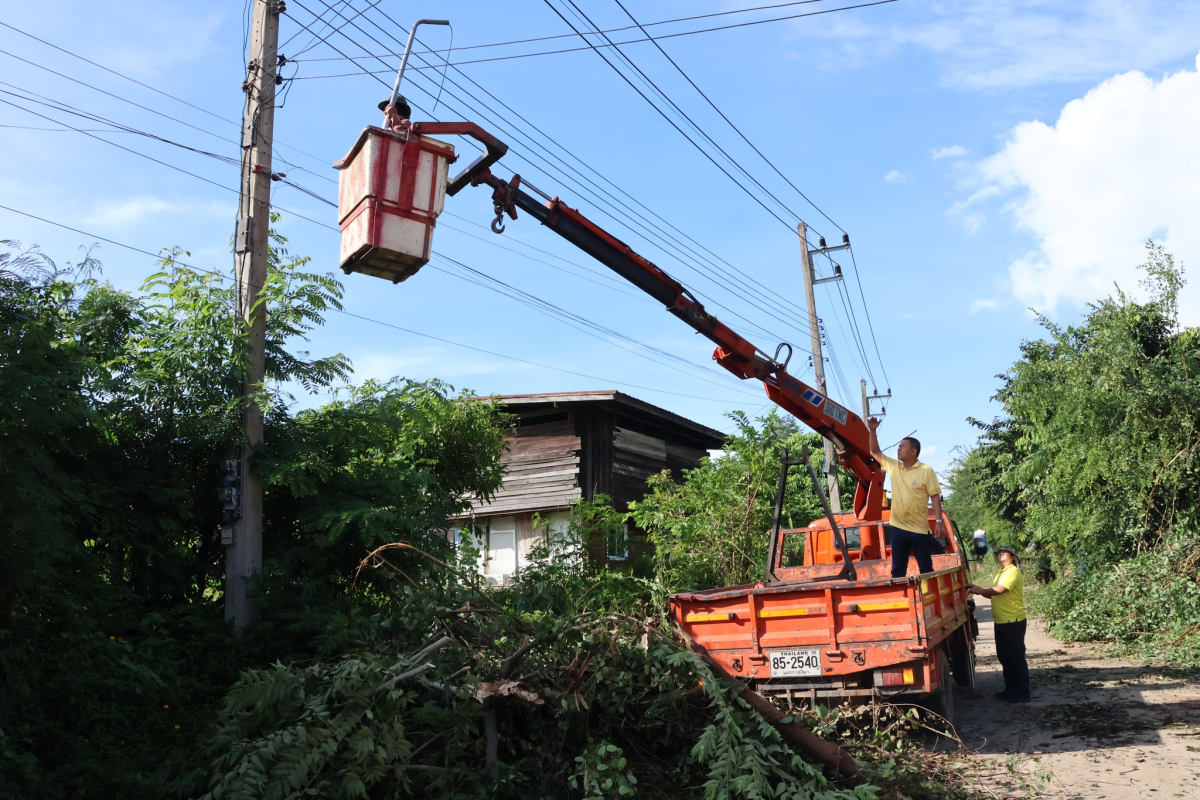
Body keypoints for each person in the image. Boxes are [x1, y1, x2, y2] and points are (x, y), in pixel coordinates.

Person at [867, 418, 945, 577]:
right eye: (898, 447)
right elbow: (874, 452)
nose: (898, 449)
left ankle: (925, 599)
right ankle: (901, 600)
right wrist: (873, 430)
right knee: (897, 571)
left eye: (902, 446)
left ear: (913, 451)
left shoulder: (926, 470)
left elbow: (935, 497)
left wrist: (939, 521)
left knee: (926, 569)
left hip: (920, 530)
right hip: (898, 528)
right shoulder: (894, 467)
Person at [968, 545, 1030, 703]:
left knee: (1015, 657)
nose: (1001, 554)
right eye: (999, 553)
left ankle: (1023, 693)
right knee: (1005, 657)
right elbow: (994, 594)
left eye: (1005, 553)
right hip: (1002, 620)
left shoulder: (1013, 571)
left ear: (1013, 557)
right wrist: (980, 590)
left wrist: (980, 590)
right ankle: (1010, 690)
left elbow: (999, 590)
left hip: (1013, 620)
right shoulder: (1000, 574)